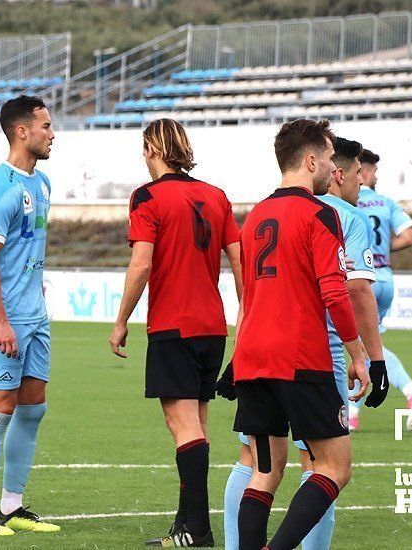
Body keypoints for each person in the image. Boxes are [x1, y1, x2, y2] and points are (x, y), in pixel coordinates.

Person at [221, 136, 388, 550]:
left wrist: (237, 357)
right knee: (334, 467)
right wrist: (359, 353)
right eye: (330, 159)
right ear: (311, 160)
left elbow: (251, 295)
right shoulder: (322, 214)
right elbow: (336, 291)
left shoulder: (256, 214)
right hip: (301, 358)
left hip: (255, 357)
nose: (334, 169)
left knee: (264, 471)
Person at [108, 118, 243, 548]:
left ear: (152, 149)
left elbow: (142, 263)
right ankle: (186, 526)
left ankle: (197, 529)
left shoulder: (147, 197)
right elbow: (239, 263)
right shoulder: (216, 195)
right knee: (197, 425)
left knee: (182, 426)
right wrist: (249, 316)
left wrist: (120, 320)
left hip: (173, 325)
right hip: (212, 327)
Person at [0, 95, 59, 536]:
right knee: (0, 407)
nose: (51, 133)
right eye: (45, 126)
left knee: (33, 409)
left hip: (35, 317)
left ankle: (13, 504)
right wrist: (1, 320)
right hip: (3, 320)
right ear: (21, 131)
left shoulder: (41, 185)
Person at [353, 148, 412, 431]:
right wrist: (383, 249)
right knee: (367, 344)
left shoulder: (349, 203)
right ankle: (351, 412)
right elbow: (409, 236)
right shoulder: (386, 203)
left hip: (362, 279)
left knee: (360, 345)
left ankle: (411, 390)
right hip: (386, 277)